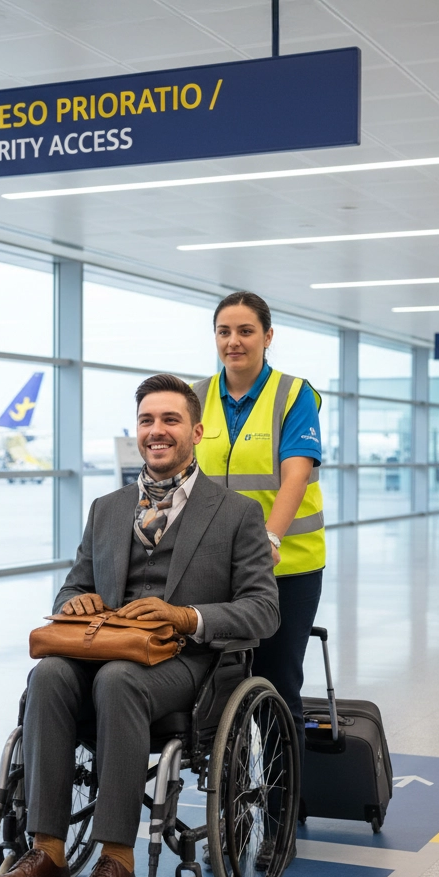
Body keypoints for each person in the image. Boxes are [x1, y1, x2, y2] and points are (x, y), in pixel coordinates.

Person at [0, 374, 279, 877]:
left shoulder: (236, 514)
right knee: (47, 675)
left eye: (170, 420)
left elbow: (263, 609)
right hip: (106, 648)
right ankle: (47, 855)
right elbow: (75, 583)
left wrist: (185, 616)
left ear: (197, 431)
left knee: (118, 681)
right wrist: (76, 603)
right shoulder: (108, 508)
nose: (156, 431)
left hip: (190, 667)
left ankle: (117, 862)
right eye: (146, 420)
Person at [190, 291, 325, 748]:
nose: (234, 341)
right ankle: (227, 797)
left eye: (246, 331)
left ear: (267, 337)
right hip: (213, 566)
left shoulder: (293, 394)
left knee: (276, 686)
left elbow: (296, 474)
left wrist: (269, 537)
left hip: (286, 566)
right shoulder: (197, 396)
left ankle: (283, 802)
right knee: (212, 685)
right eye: (224, 331)